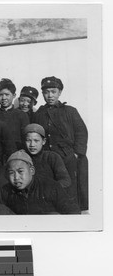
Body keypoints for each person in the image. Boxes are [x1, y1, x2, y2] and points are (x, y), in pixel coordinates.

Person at [33, 76, 88, 210]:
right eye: (46, 92)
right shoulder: (39, 113)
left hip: (66, 158)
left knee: (69, 190)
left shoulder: (70, 111)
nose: (50, 95)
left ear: (60, 92)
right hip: (46, 158)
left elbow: (81, 132)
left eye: (53, 92)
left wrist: (76, 154)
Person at [0, 150, 81, 215]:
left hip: (45, 231)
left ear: (31, 170)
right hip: (22, 230)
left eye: (20, 172)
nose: (16, 178)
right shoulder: (6, 190)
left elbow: (72, 210)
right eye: (11, 173)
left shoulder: (50, 186)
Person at [23, 123, 71, 189]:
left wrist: (48, 189)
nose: (32, 144)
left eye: (36, 140)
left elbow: (65, 181)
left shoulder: (52, 157)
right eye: (28, 140)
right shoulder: (22, 157)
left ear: (43, 141)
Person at [0, 78, 29, 149]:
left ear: (14, 95)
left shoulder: (21, 115)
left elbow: (25, 138)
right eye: (0, 95)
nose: (3, 98)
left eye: (7, 94)